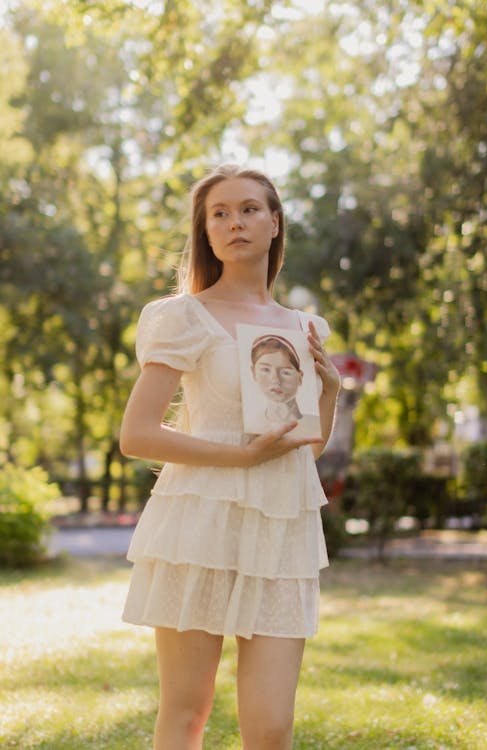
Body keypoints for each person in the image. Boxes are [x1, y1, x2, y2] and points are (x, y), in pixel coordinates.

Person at [119, 163, 341, 750]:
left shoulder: (304, 328)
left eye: (247, 209)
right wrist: (239, 459)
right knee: (187, 714)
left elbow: (305, 449)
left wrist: (332, 393)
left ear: (274, 223)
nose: (233, 222)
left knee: (271, 728)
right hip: (198, 520)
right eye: (219, 213)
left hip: (281, 529)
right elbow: (137, 435)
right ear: (207, 232)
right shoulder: (182, 316)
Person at [251, 334, 304, 425]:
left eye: (285, 372)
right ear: (253, 373)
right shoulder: (254, 423)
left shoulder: (314, 425)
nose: (275, 380)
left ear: (300, 377)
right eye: (265, 370)